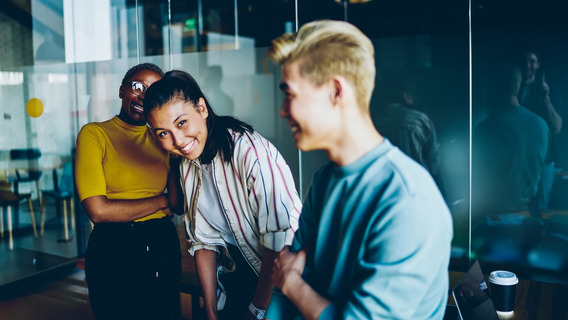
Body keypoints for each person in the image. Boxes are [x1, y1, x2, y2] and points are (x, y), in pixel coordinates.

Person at [266, 20, 453, 319]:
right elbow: (286, 279)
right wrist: (289, 285)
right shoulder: (325, 180)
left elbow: (289, 279)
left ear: (335, 91)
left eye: (290, 94)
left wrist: (293, 286)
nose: (282, 110)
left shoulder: (409, 202)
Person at [143, 70, 302, 320]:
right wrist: (210, 310)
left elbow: (280, 243)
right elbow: (203, 243)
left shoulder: (249, 153)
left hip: (284, 280)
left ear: (202, 108)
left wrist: (257, 310)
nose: (178, 140)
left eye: (181, 123)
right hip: (238, 276)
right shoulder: (186, 163)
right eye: (163, 133)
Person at [75, 63, 181, 320]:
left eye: (153, 91)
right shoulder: (95, 134)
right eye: (137, 87)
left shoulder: (164, 139)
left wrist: (175, 151)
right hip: (113, 245)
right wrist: (160, 200)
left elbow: (178, 206)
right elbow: (98, 211)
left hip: (161, 243)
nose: (143, 96)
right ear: (122, 90)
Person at [473, 63, 549, 223]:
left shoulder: (487, 128)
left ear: (492, 88)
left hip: (494, 215)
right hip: (530, 215)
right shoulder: (541, 124)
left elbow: (478, 177)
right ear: (518, 85)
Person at [518, 50, 562, 210]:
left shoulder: (548, 91)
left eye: (532, 61)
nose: (528, 66)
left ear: (538, 65)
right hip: (519, 159)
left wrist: (546, 99)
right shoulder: (511, 90)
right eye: (525, 62)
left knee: (540, 207)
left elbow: (557, 127)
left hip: (544, 160)